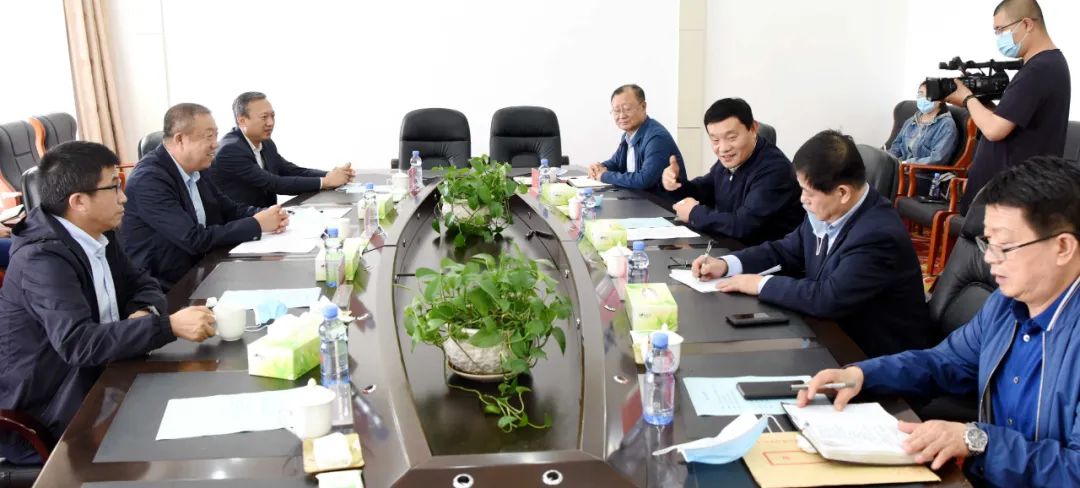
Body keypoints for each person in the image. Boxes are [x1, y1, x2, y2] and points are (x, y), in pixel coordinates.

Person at [797, 156, 1080, 486]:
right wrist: (862, 374)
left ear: (1063, 247)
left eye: (1005, 247)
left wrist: (978, 440)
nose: (990, 259)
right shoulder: (1006, 305)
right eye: (988, 243)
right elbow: (945, 362)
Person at [0, 141, 216, 465]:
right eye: (114, 186)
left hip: (107, 376)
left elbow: (143, 283)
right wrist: (166, 325)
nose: (123, 197)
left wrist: (142, 313)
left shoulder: (100, 232)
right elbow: (78, 344)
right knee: (182, 447)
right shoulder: (42, 259)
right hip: (52, 413)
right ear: (79, 202)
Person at [692, 130, 933, 358]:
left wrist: (759, 284)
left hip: (871, 355)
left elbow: (828, 298)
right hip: (830, 332)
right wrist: (727, 264)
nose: (802, 200)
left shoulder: (878, 235)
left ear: (843, 193)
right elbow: (785, 251)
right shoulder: (830, 209)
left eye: (808, 192)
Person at [122, 103, 289, 289]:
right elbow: (193, 239)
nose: (215, 144)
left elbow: (229, 209)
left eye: (216, 135)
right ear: (180, 139)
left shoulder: (198, 167)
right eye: (209, 136)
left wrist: (267, 214)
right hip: (167, 285)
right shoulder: (149, 180)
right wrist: (257, 224)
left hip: (204, 267)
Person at [946, 0, 1070, 213]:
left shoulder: (1038, 70)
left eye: (1000, 30)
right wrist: (981, 103)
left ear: (1027, 24)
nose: (999, 37)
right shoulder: (1046, 65)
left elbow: (994, 130)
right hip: (1010, 193)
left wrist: (967, 98)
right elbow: (1006, 121)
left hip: (1011, 198)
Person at [661, 98, 803, 245]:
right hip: (729, 246)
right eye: (715, 140)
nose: (723, 149)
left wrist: (694, 214)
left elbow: (743, 225)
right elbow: (704, 190)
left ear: (753, 129)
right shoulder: (733, 159)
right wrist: (675, 183)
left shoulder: (775, 170)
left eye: (731, 138)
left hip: (762, 254)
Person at [211, 92, 354, 207]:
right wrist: (326, 182)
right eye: (264, 117)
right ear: (242, 121)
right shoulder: (230, 150)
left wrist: (332, 174)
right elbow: (274, 183)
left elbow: (291, 170)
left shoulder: (266, 143)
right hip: (240, 224)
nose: (270, 123)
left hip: (268, 219)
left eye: (272, 116)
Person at [588, 84, 687, 201]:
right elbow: (616, 163)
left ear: (643, 107)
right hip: (639, 202)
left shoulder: (656, 137)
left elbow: (644, 179)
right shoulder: (628, 135)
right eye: (616, 111)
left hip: (663, 207)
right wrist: (598, 168)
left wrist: (604, 175)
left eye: (627, 109)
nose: (621, 115)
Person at [889, 82, 959, 196]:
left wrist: (907, 164)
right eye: (920, 94)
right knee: (874, 172)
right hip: (902, 170)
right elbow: (896, 146)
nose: (922, 98)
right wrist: (888, 161)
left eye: (928, 95)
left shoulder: (946, 125)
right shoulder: (912, 120)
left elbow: (938, 159)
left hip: (924, 177)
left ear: (940, 100)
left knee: (883, 181)